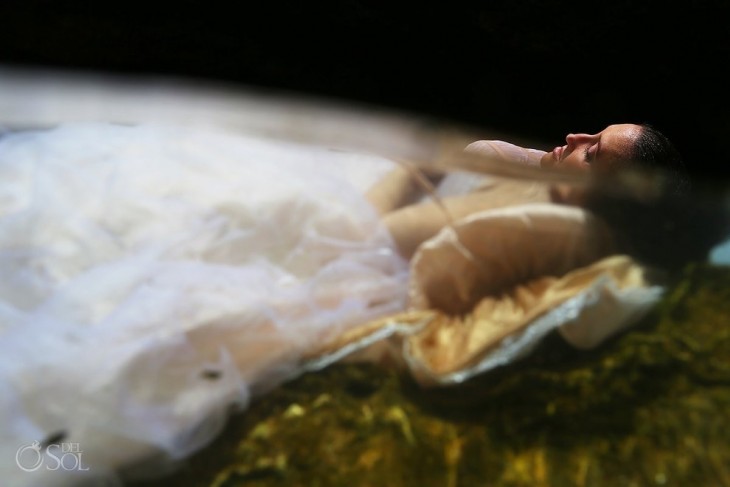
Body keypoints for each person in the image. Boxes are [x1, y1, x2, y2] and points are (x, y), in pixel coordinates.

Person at [370, 122, 722, 270]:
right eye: (592, 133)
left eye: (591, 153)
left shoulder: (561, 233)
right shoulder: (501, 161)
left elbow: (388, 234)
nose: (573, 136)